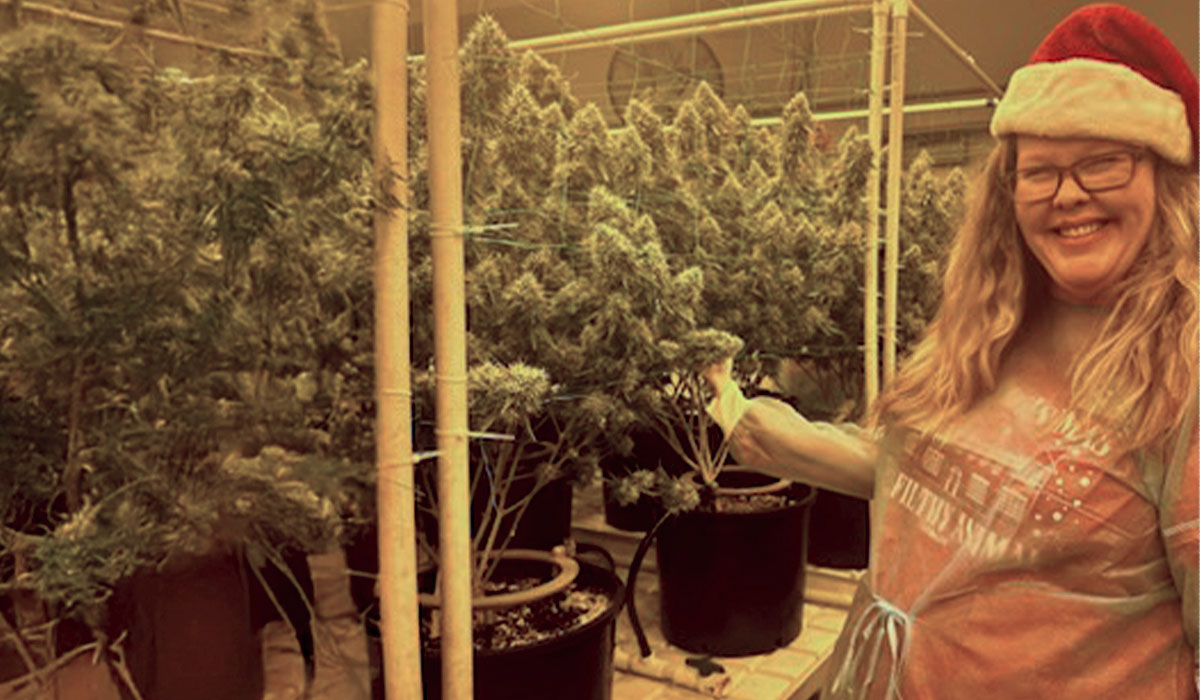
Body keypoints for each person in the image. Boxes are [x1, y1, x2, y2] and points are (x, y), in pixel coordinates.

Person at [704, 4, 1198, 698]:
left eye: (1104, 163)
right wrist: (789, 441)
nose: (1068, 194)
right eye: (1040, 171)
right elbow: (953, 474)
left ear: (1169, 180)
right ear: (1009, 192)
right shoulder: (989, 320)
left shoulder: (1183, 367)